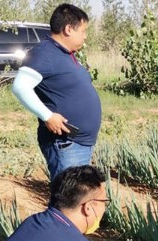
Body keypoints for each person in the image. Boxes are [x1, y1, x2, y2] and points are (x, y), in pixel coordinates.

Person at [12, 3, 101, 182]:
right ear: (69, 29)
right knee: (67, 199)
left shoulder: (65, 54)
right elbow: (20, 86)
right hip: (65, 144)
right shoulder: (44, 53)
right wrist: (47, 116)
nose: (85, 36)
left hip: (77, 144)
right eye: (83, 31)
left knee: (74, 198)